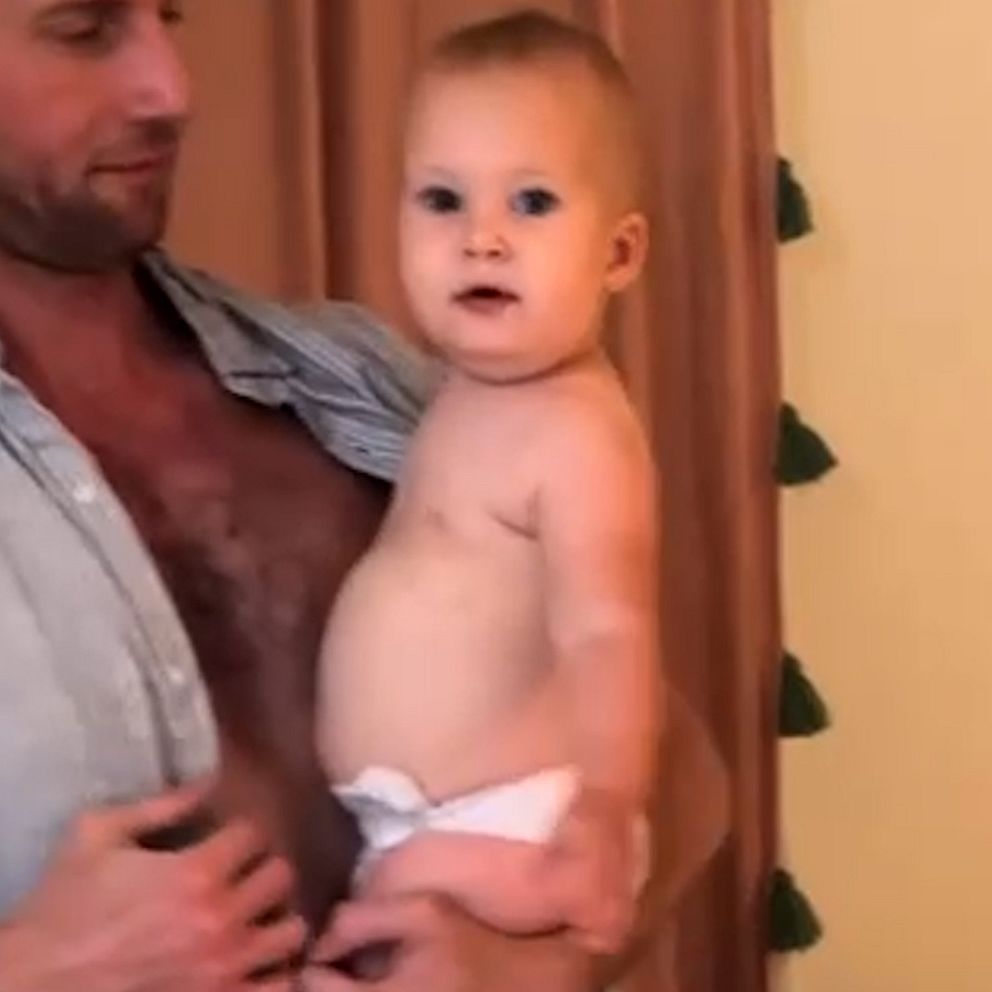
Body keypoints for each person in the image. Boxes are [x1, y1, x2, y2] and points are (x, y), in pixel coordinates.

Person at [0, 2, 663, 990]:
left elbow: (664, 767)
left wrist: (528, 967)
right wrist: (31, 967)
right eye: (86, 27)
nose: (171, 90)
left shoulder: (376, 376)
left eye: (169, 15)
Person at [314, 7, 660, 961]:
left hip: (515, 823)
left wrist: (608, 805)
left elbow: (609, 631)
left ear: (619, 254)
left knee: (358, 941)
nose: (483, 239)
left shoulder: (578, 431)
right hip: (439, 825)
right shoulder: (459, 395)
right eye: (442, 200)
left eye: (533, 203)